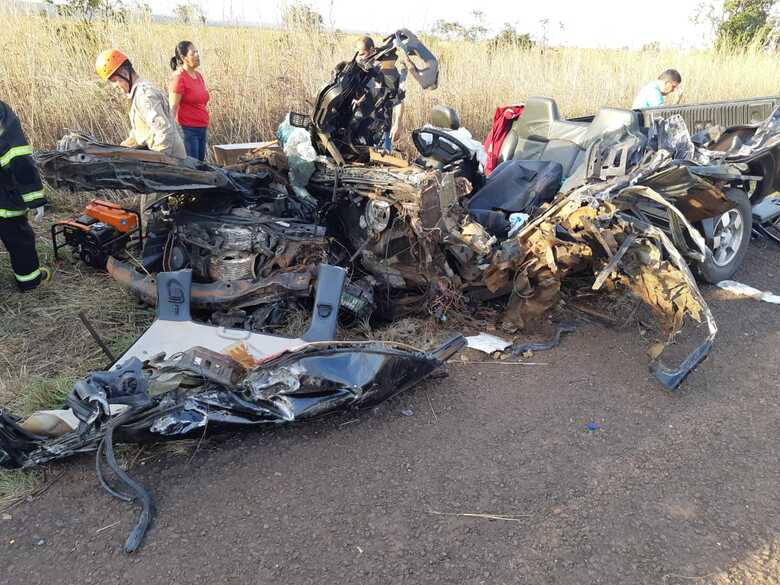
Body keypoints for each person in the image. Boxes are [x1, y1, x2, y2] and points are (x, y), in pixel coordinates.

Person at [95, 49, 186, 158]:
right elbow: (140, 133)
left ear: (124, 73)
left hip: (172, 163)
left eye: (114, 81)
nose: (114, 86)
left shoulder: (145, 96)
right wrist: (118, 151)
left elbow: (164, 134)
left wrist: (157, 165)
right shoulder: (136, 94)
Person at [0, 100, 51, 290]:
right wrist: (34, 197)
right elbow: (16, 156)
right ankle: (29, 282)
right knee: (19, 241)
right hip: (4, 201)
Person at [168, 41, 210, 161]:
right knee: (193, 167)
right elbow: (172, 107)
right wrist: (171, 133)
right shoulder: (179, 78)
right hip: (188, 131)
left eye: (197, 52)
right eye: (193, 53)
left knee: (201, 165)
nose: (197, 55)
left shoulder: (198, 76)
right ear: (183, 57)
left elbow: (201, 101)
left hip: (202, 128)